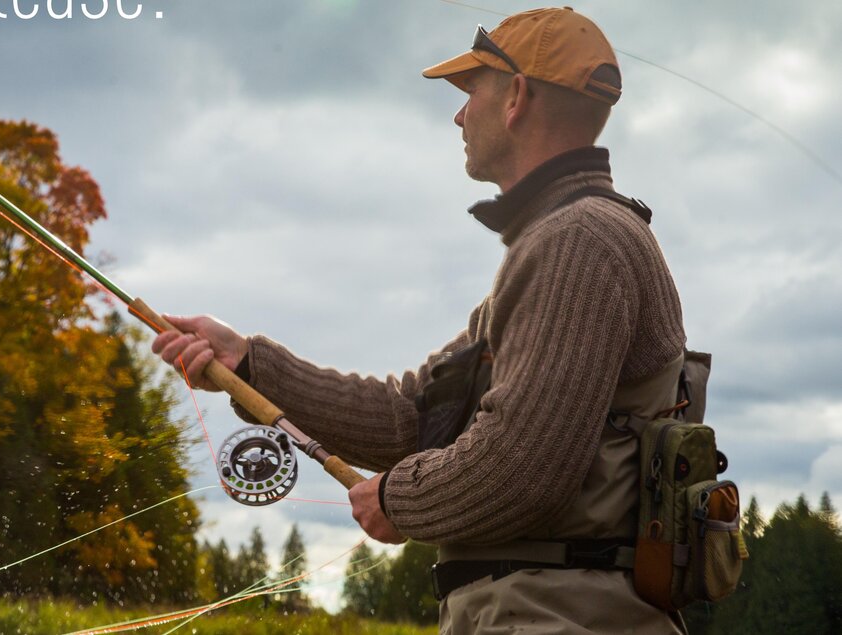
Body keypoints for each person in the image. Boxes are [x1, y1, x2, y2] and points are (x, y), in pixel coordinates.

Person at [152, 7, 688, 634]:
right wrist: (250, 363)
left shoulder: (579, 241)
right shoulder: (559, 242)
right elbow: (415, 416)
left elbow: (524, 467)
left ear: (515, 97)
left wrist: (397, 499)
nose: (459, 114)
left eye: (471, 91)